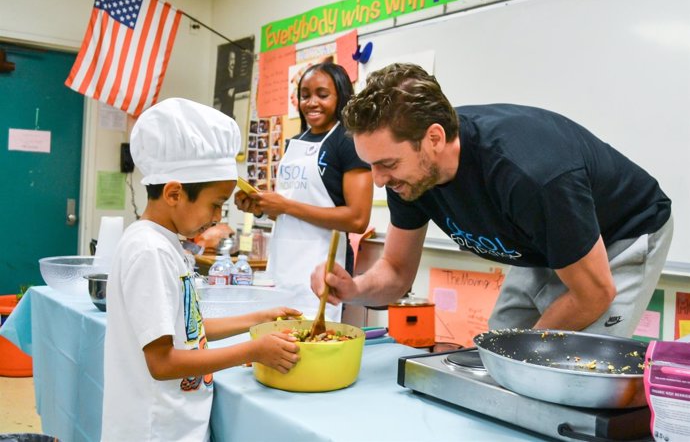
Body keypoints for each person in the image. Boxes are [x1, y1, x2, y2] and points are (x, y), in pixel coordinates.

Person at [311, 63, 673, 337]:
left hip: (622, 233)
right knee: (499, 339)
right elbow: (396, 271)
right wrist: (354, 289)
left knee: (571, 365)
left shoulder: (527, 173)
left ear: (434, 139)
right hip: (545, 238)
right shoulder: (408, 177)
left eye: (386, 164)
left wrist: (526, 358)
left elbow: (595, 293)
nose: (378, 180)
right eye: (371, 165)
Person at [102, 98, 301, 441]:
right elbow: (162, 362)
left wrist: (260, 319)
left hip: (176, 424)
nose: (217, 218)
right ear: (175, 193)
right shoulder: (150, 251)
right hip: (153, 430)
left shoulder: (166, 243)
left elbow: (186, 329)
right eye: (216, 204)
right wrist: (254, 350)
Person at [235, 63, 373, 321]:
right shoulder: (294, 143)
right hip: (283, 264)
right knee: (280, 334)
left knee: (314, 342)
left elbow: (357, 219)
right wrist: (263, 207)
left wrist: (285, 207)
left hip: (322, 266)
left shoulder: (348, 141)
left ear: (340, 96)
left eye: (322, 94)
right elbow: (292, 208)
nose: (311, 103)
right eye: (305, 95)